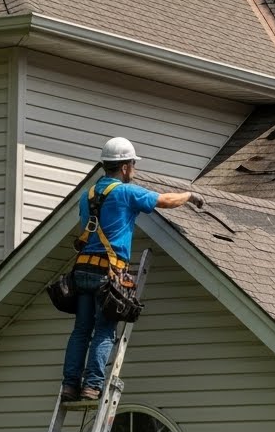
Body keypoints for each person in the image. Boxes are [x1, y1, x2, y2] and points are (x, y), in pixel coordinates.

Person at [61, 137, 204, 401]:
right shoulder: (126, 193)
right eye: (132, 165)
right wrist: (190, 196)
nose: (133, 170)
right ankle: (92, 386)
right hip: (108, 273)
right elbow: (165, 200)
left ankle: (70, 385)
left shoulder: (87, 196)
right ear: (125, 167)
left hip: (82, 271)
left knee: (81, 330)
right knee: (104, 330)